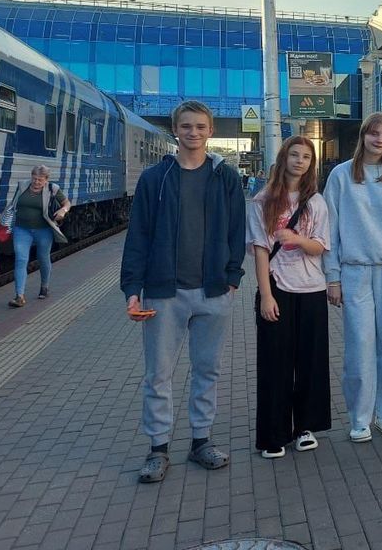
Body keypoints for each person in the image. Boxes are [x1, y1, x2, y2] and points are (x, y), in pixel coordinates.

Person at [120, 100, 246, 484]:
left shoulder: (226, 178)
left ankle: (200, 441)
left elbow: (237, 231)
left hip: (213, 292)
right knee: (158, 374)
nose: (193, 132)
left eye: (200, 126)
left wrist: (232, 278)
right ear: (175, 130)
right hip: (164, 292)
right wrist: (132, 289)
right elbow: (138, 236)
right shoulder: (154, 179)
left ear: (211, 131)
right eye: (186, 126)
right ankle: (158, 449)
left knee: (207, 369)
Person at [323, 112, 382, 443]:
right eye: (374, 133)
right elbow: (330, 230)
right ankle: (360, 418)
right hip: (355, 269)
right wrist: (332, 277)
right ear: (363, 135)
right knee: (359, 345)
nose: (379, 140)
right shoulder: (340, 175)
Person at [248, 136, 332, 459]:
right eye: (294, 155)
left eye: (306, 157)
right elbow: (260, 251)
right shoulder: (263, 200)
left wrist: (297, 239)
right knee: (274, 363)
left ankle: (305, 428)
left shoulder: (316, 202)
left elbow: (320, 246)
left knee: (310, 362)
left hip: (312, 289)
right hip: (277, 289)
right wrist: (266, 295)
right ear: (283, 158)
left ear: (311, 164)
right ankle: (274, 434)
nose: (300, 161)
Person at [0, 165, 70, 307]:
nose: (36, 182)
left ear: (46, 180)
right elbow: (13, 204)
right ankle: (19, 296)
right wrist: (0, 219)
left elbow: (67, 203)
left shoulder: (52, 188)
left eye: (40, 180)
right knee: (21, 259)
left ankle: (44, 287)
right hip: (22, 229)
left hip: (44, 231)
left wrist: (63, 210)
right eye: (34, 179)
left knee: (43, 258)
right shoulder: (22, 186)